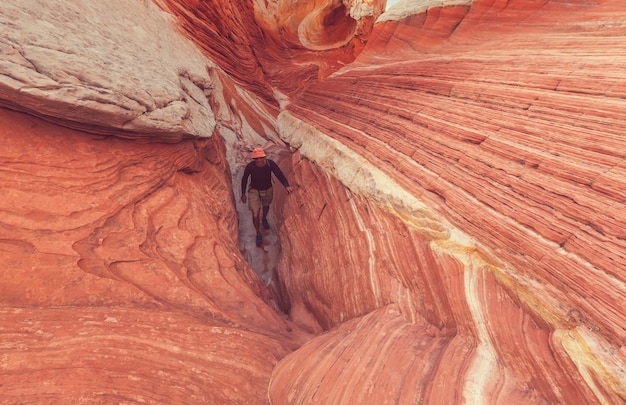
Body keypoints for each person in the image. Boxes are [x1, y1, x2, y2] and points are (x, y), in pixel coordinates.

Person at [241, 148, 293, 246]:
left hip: (267, 189)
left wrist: (286, 185)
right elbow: (244, 179)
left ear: (264, 157)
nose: (259, 160)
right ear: (254, 159)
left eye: (261, 158)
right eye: (256, 158)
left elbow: (279, 174)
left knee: (266, 207)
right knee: (255, 214)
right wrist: (243, 193)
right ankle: (258, 233)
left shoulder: (270, 164)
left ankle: (264, 218)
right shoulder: (250, 166)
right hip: (254, 191)